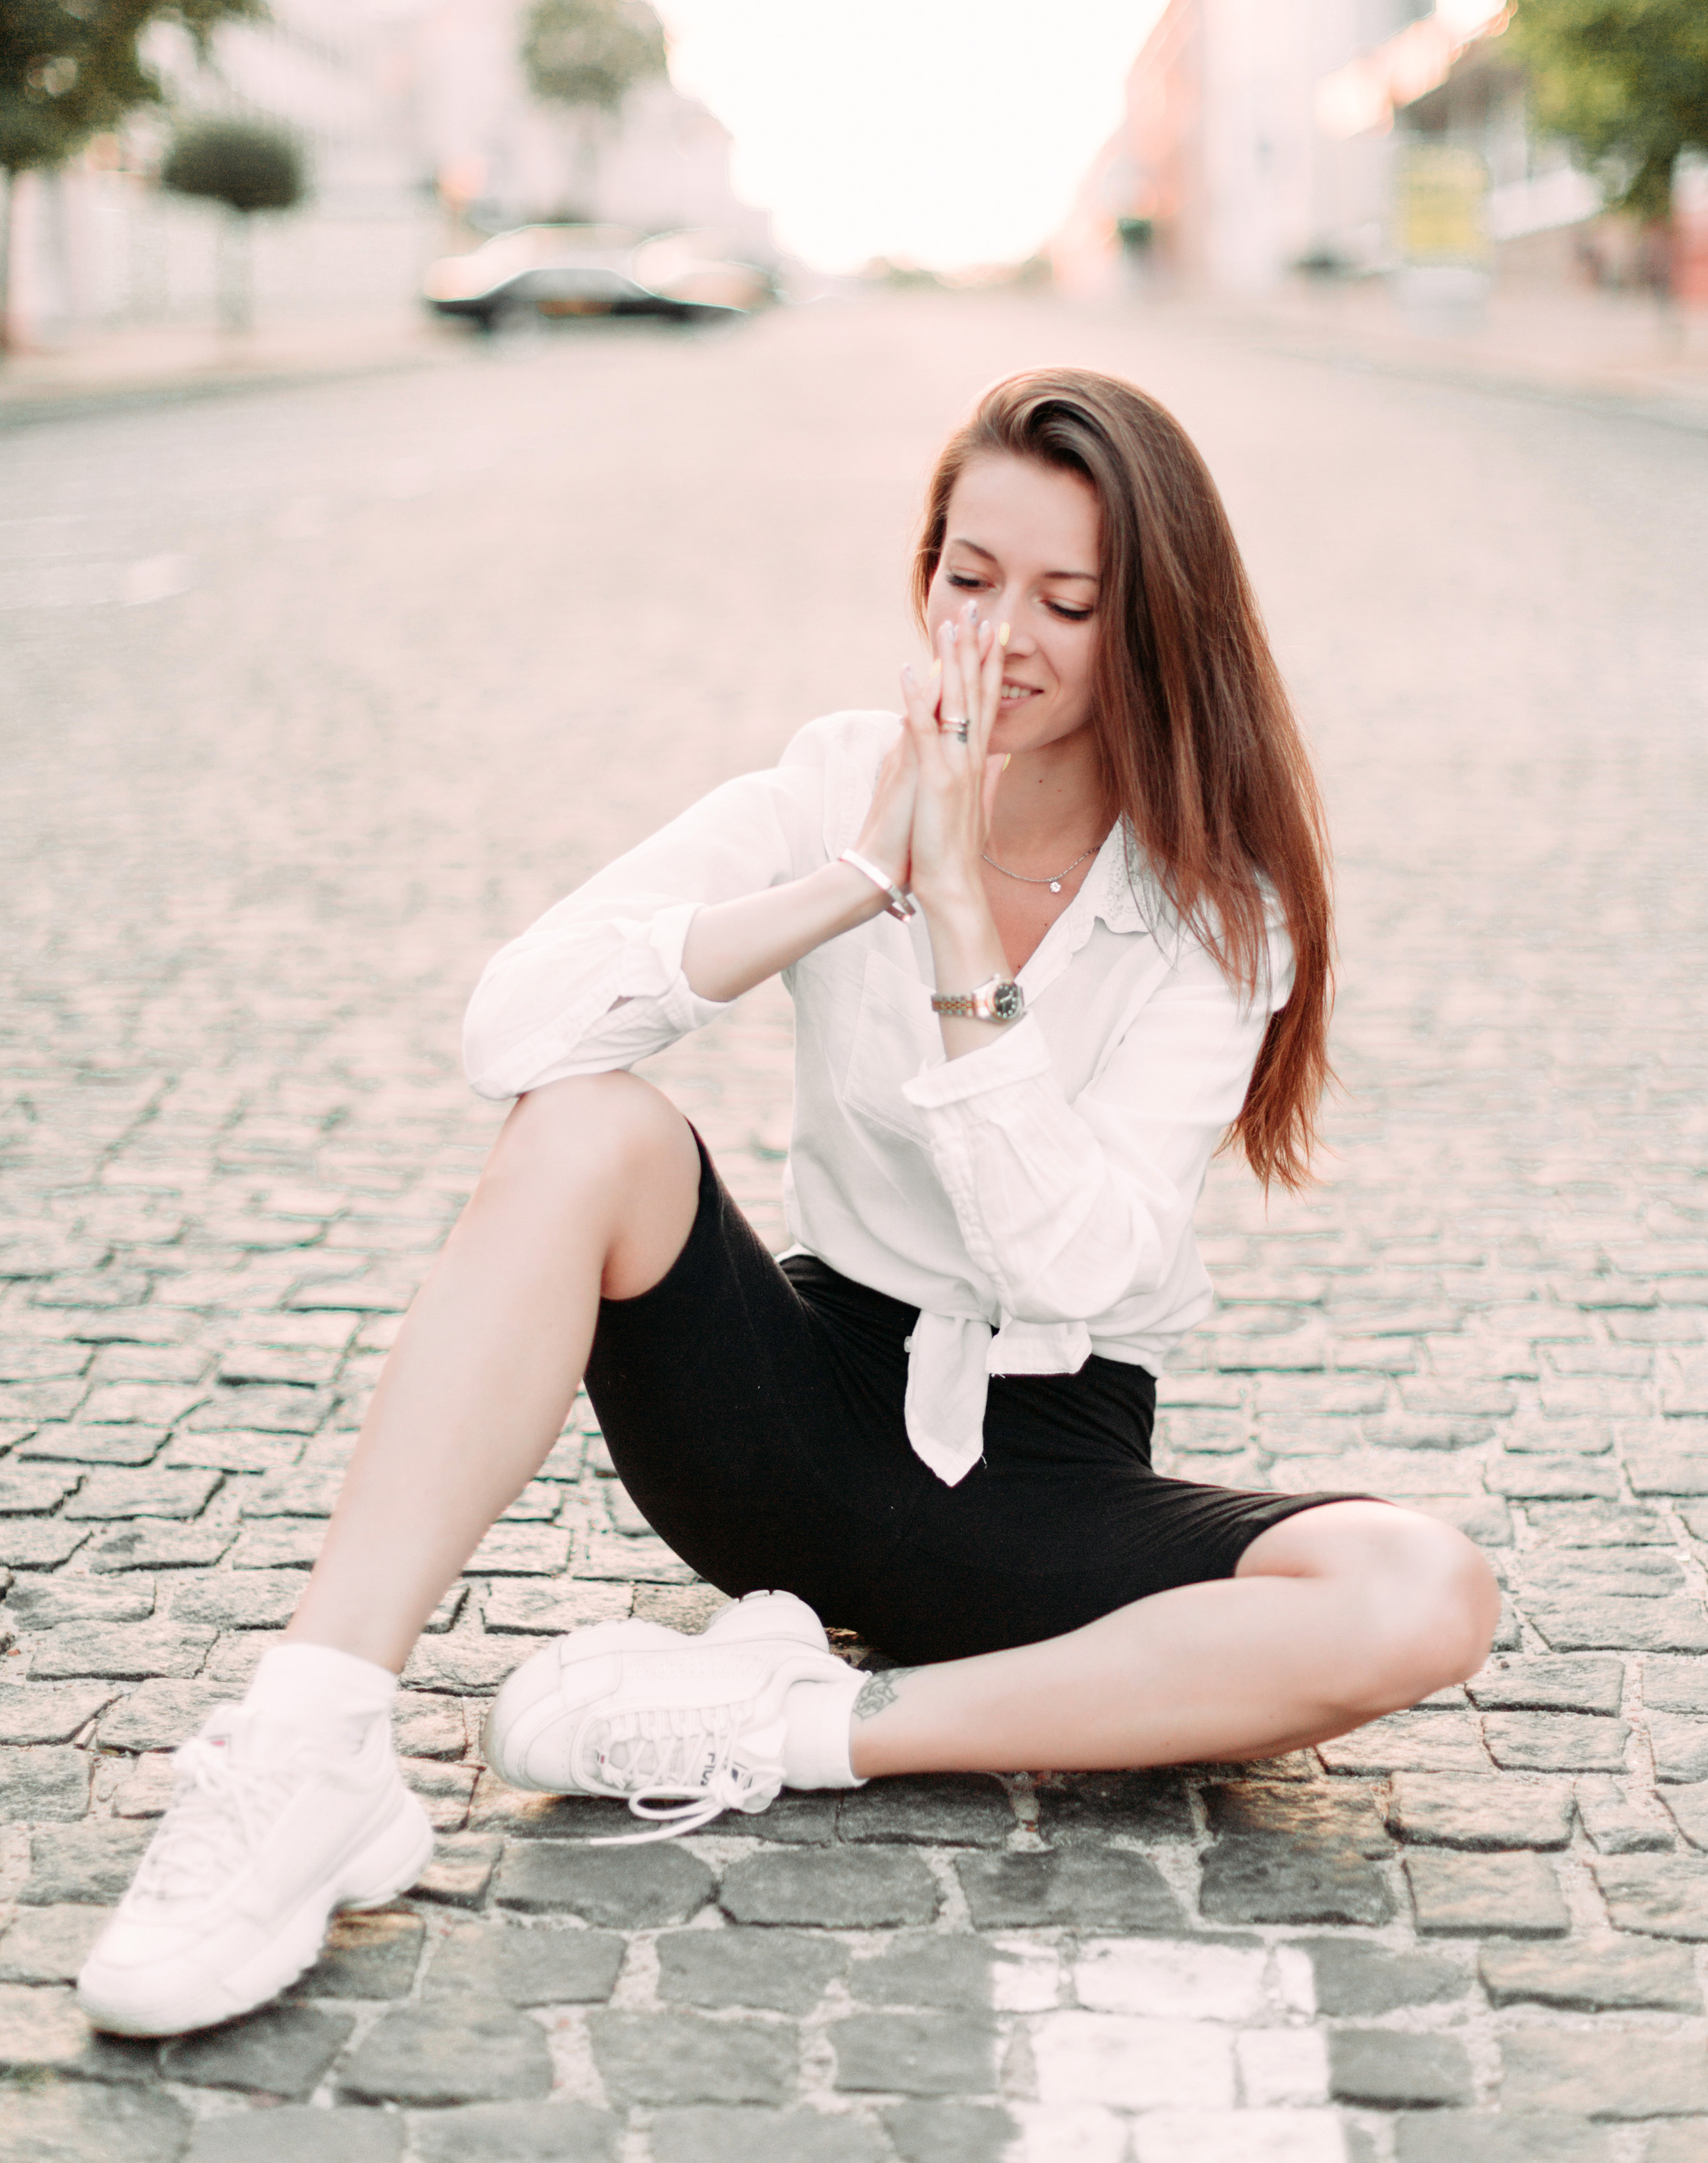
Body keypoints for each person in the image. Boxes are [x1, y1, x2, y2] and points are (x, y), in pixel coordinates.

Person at [78, 368, 1498, 2037]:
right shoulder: (837, 784)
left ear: (1158, 630)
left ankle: (790, 1728)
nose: (1006, 638)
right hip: (791, 1429)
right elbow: (511, 1027)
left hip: (1041, 1495)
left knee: (1422, 1594)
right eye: (969, 579)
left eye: (1069, 601)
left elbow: (1080, 1253)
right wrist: (864, 881)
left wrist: (966, 941)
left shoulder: (1214, 908)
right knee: (591, 1123)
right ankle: (310, 1749)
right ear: (922, 576)